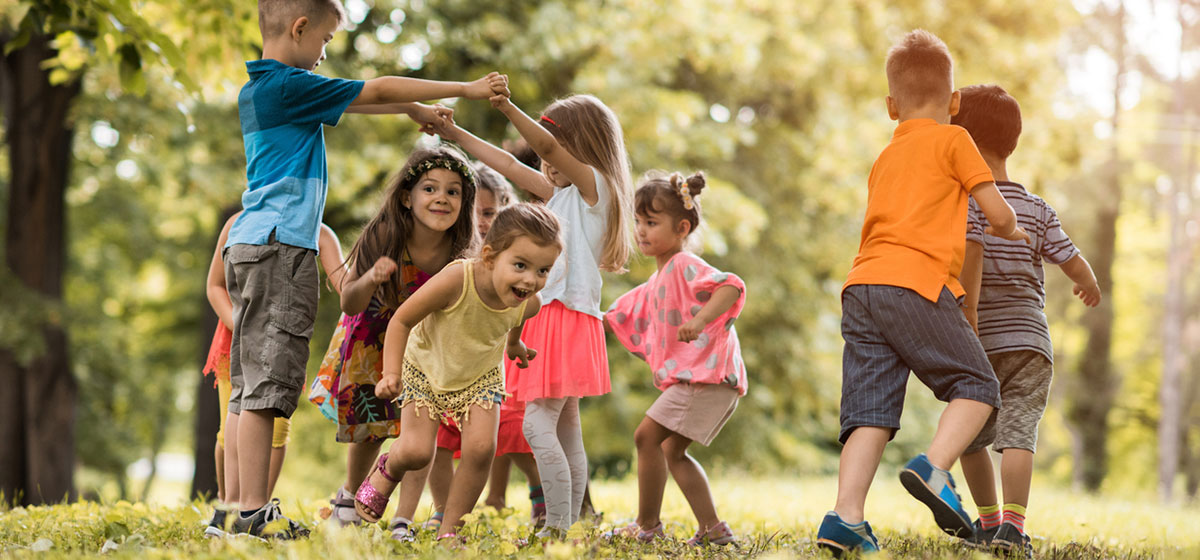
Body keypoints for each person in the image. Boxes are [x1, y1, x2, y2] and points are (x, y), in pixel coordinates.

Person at [222, 0, 501, 537]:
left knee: (249, 385)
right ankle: (253, 513)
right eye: (325, 41)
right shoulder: (286, 85)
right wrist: (462, 91)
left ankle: (235, 508)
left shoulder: (261, 89)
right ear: (300, 28)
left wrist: (413, 111)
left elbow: (366, 101)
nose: (325, 54)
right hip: (282, 246)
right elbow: (374, 90)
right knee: (269, 386)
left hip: (253, 244)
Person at [813, 29, 1030, 557]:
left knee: (869, 413)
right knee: (979, 387)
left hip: (862, 286)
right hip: (915, 283)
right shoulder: (956, 139)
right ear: (955, 103)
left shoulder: (886, 156)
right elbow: (995, 209)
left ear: (892, 106)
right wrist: (1013, 230)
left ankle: (845, 518)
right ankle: (935, 468)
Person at [431, 87, 634, 536]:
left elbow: (544, 147)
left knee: (537, 422)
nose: (545, 160)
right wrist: (452, 132)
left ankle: (555, 528)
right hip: (556, 317)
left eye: (555, 149)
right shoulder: (562, 195)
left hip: (563, 316)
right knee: (565, 429)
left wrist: (505, 106)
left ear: (580, 148)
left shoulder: (595, 189)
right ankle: (568, 524)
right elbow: (507, 165)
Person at [353, 203, 563, 542]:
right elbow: (402, 320)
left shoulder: (529, 301)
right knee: (418, 451)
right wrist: (390, 373)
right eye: (521, 265)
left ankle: (450, 532)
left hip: (480, 377)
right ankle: (388, 466)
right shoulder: (457, 278)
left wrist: (513, 346)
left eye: (543, 270)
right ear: (491, 256)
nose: (530, 280)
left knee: (481, 449)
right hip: (426, 367)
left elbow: (518, 318)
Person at [953, 84, 1101, 558]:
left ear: (962, 140)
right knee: (1019, 432)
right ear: (1011, 141)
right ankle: (1013, 528)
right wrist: (1089, 284)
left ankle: (988, 521)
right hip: (1031, 342)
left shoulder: (963, 203)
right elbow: (1071, 259)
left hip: (977, 339)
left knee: (970, 437)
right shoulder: (1036, 208)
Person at [307, 145, 480, 541]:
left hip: (426, 345)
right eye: (430, 189)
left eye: (453, 192)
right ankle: (349, 498)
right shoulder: (386, 234)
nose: (441, 198)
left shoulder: (460, 250)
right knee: (372, 427)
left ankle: (402, 518)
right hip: (373, 336)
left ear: (464, 201)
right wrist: (370, 278)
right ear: (407, 196)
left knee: (420, 430)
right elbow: (349, 300)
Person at [604, 172, 747, 546]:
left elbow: (731, 286)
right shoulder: (659, 278)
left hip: (707, 378)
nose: (641, 230)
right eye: (638, 221)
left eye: (651, 223)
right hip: (707, 380)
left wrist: (700, 320)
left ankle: (647, 525)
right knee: (670, 450)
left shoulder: (684, 264)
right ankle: (713, 529)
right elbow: (621, 312)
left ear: (681, 227)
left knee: (645, 437)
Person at [203, 211, 345, 537]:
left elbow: (344, 282)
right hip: (235, 346)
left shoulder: (317, 232)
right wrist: (243, 328)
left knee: (276, 430)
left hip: (280, 346)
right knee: (230, 430)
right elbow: (214, 286)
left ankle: (256, 510)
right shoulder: (237, 224)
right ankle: (227, 508)